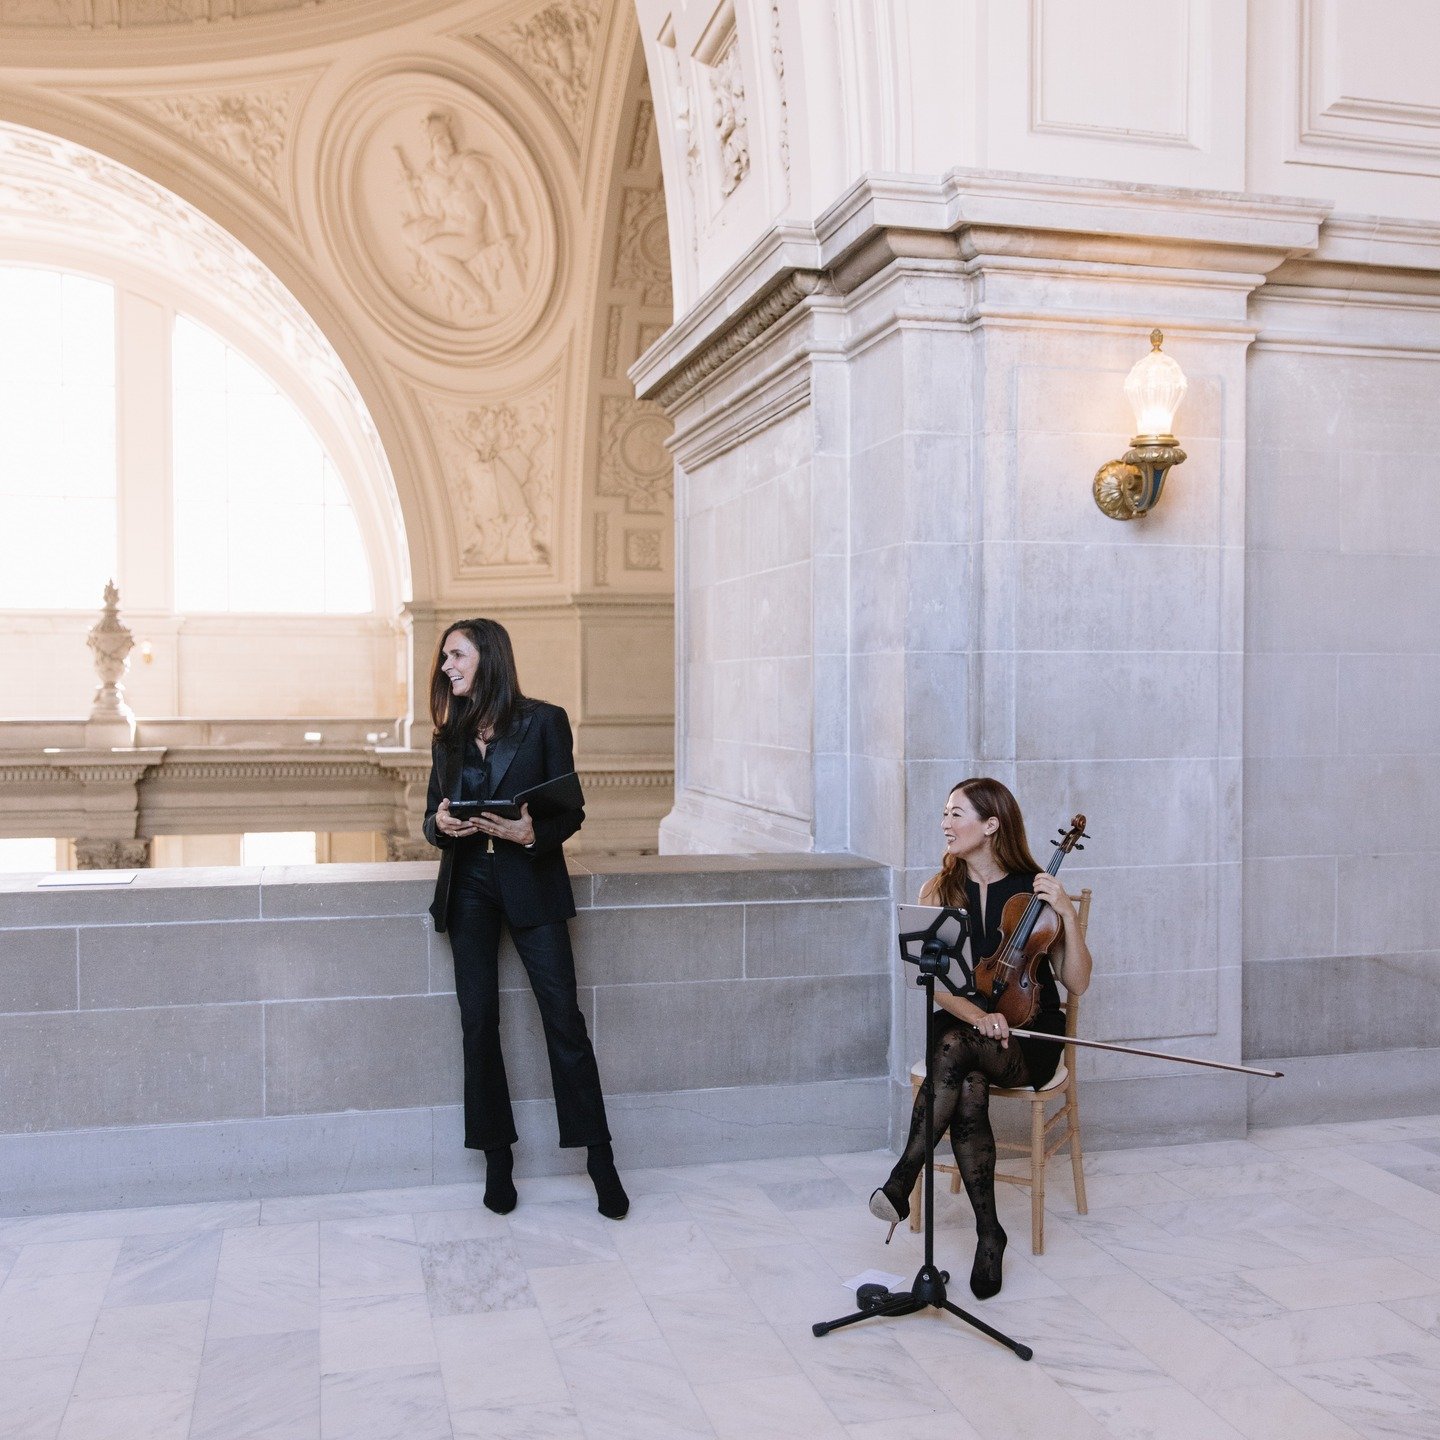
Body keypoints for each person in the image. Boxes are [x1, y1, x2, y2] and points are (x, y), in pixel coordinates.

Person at [423, 617, 628, 1220]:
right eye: (444, 658)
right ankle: (497, 1160)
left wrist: (531, 830)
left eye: (456, 655)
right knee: (478, 1023)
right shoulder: (448, 738)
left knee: (563, 1020)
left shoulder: (544, 721)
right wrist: (443, 824)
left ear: (487, 657)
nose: (446, 667)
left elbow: (572, 811)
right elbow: (427, 820)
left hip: (530, 880)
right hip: (469, 888)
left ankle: (602, 1163)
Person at [869, 778, 1092, 1298]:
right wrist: (977, 1016)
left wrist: (1067, 915)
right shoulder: (938, 891)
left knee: (954, 1054)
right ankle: (990, 1235)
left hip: (1026, 1036)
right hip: (965, 1027)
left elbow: (1077, 981)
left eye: (956, 814)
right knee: (963, 1072)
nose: (945, 824)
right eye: (944, 814)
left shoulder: (1035, 891)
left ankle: (904, 1177)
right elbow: (940, 990)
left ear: (991, 825)